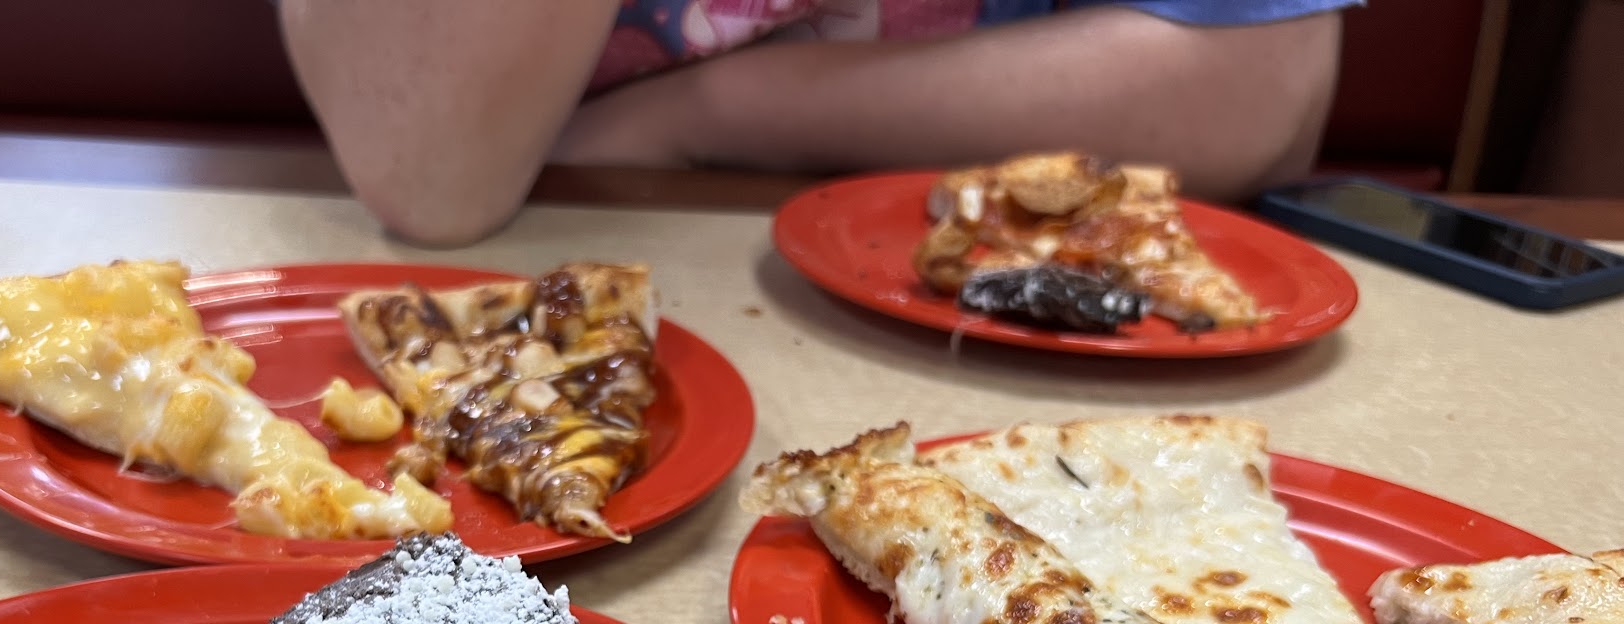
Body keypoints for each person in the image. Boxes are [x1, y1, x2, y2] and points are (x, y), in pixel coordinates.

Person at [281, 0, 1353, 247]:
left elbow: (1257, 94)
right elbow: (431, 168)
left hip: (1010, 288)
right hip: (529, 256)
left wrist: (703, 114)